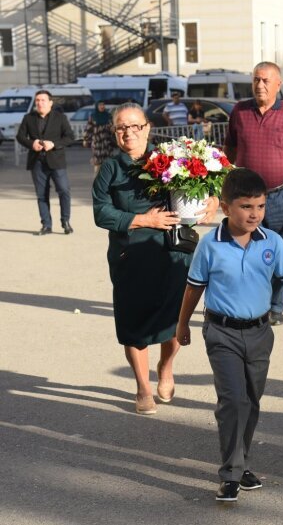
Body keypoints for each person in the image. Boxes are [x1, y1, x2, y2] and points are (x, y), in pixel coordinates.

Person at [176, 168, 283, 502]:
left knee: (251, 402)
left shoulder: (271, 242)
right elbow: (193, 289)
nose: (254, 213)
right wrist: (182, 325)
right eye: (245, 206)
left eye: (259, 206)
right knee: (233, 401)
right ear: (226, 207)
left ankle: (241, 464)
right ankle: (229, 474)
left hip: (259, 333)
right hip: (222, 332)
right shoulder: (210, 245)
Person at [92, 102, 220, 416]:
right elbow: (101, 212)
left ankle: (165, 366)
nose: (128, 133)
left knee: (174, 319)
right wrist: (142, 220)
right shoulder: (111, 168)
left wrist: (214, 200)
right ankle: (142, 388)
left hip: (172, 252)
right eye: (122, 127)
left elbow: (205, 182)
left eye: (135, 126)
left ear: (147, 128)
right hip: (130, 256)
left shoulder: (171, 158)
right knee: (133, 321)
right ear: (115, 132)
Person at [223, 61, 283, 326]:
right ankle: (249, 304)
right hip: (245, 198)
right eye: (256, 79)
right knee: (242, 251)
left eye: (266, 80)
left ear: (278, 85)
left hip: (281, 196)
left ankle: (276, 307)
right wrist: (222, 182)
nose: (260, 85)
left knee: (280, 252)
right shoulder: (240, 112)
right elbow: (229, 150)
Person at [16, 89, 75, 235]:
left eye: (43, 100)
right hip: (37, 162)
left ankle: (65, 221)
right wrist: (32, 143)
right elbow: (20, 137)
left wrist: (53, 144)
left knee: (64, 190)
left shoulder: (60, 117)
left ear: (50, 102)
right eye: (37, 101)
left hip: (56, 161)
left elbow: (70, 137)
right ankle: (46, 225)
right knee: (42, 195)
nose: (39, 103)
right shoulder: (28, 118)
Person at [84, 101, 116, 175]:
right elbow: (88, 129)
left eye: (103, 105)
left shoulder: (108, 116)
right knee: (97, 163)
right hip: (97, 143)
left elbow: (113, 127)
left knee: (108, 163)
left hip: (107, 143)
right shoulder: (93, 116)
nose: (102, 106)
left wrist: (113, 130)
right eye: (100, 105)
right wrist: (86, 139)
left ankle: (108, 180)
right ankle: (97, 181)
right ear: (97, 106)